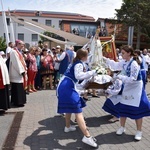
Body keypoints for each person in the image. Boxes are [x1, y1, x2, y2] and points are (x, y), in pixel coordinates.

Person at [103, 45, 150, 141]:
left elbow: (133, 79)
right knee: (123, 108)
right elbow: (116, 65)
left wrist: (120, 77)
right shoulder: (124, 61)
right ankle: (122, 127)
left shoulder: (134, 64)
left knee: (138, 110)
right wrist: (104, 59)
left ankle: (139, 131)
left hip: (136, 88)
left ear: (129, 53)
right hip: (128, 87)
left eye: (123, 53)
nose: (121, 54)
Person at [57, 49, 98, 148]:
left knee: (70, 108)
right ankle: (87, 137)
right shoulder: (79, 64)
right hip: (67, 87)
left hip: (65, 85)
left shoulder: (76, 62)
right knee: (78, 110)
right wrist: (92, 72)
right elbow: (78, 76)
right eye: (87, 56)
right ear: (84, 57)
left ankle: (67, 127)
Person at [9, 40, 27, 107]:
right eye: (21, 44)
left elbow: (22, 61)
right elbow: (16, 62)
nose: (22, 46)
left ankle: (21, 101)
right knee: (17, 88)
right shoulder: (14, 52)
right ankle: (18, 102)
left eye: (23, 44)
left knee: (20, 88)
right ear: (17, 44)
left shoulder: (19, 52)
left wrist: (25, 68)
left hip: (20, 72)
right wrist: (21, 71)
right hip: (16, 72)